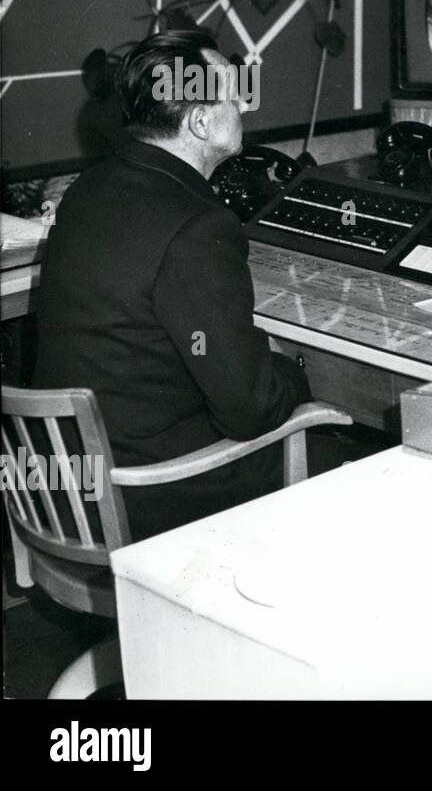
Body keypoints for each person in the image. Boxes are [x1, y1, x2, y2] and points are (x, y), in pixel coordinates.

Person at [34, 30, 311, 539]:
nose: (244, 105)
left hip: (67, 495)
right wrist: (293, 368)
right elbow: (250, 410)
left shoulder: (89, 188)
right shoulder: (198, 226)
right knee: (346, 449)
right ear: (200, 121)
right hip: (146, 502)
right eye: (233, 92)